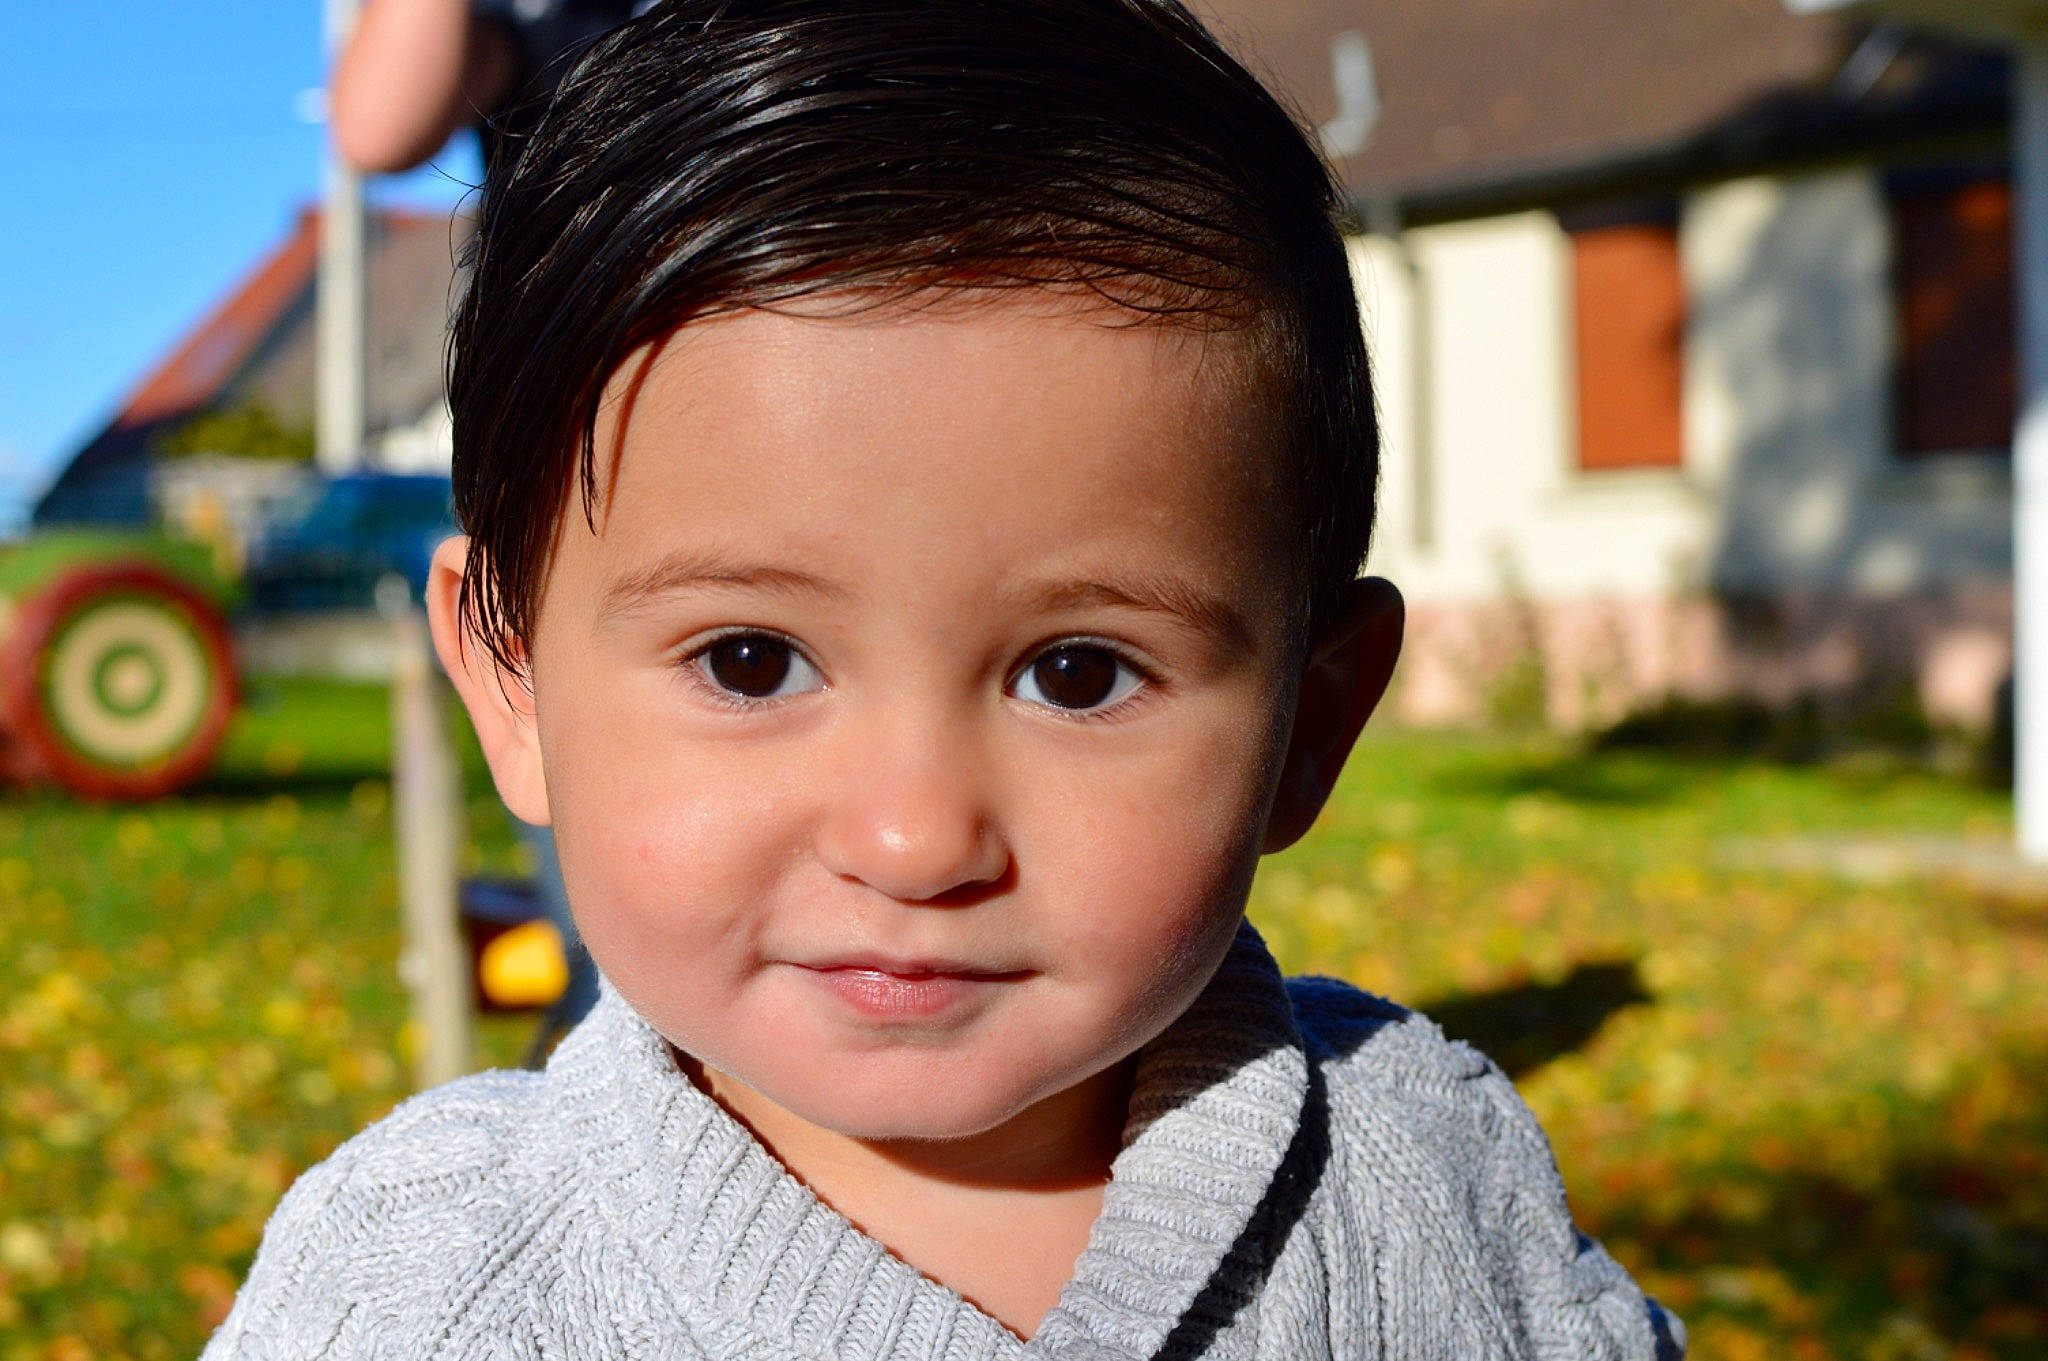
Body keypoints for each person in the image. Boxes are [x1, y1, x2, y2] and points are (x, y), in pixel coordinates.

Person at [208, 2, 1686, 1355]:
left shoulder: (1429, 1187)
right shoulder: (413, 1288)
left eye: (1080, 673)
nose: (915, 838)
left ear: (1314, 721)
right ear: (511, 682)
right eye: (750, 659)